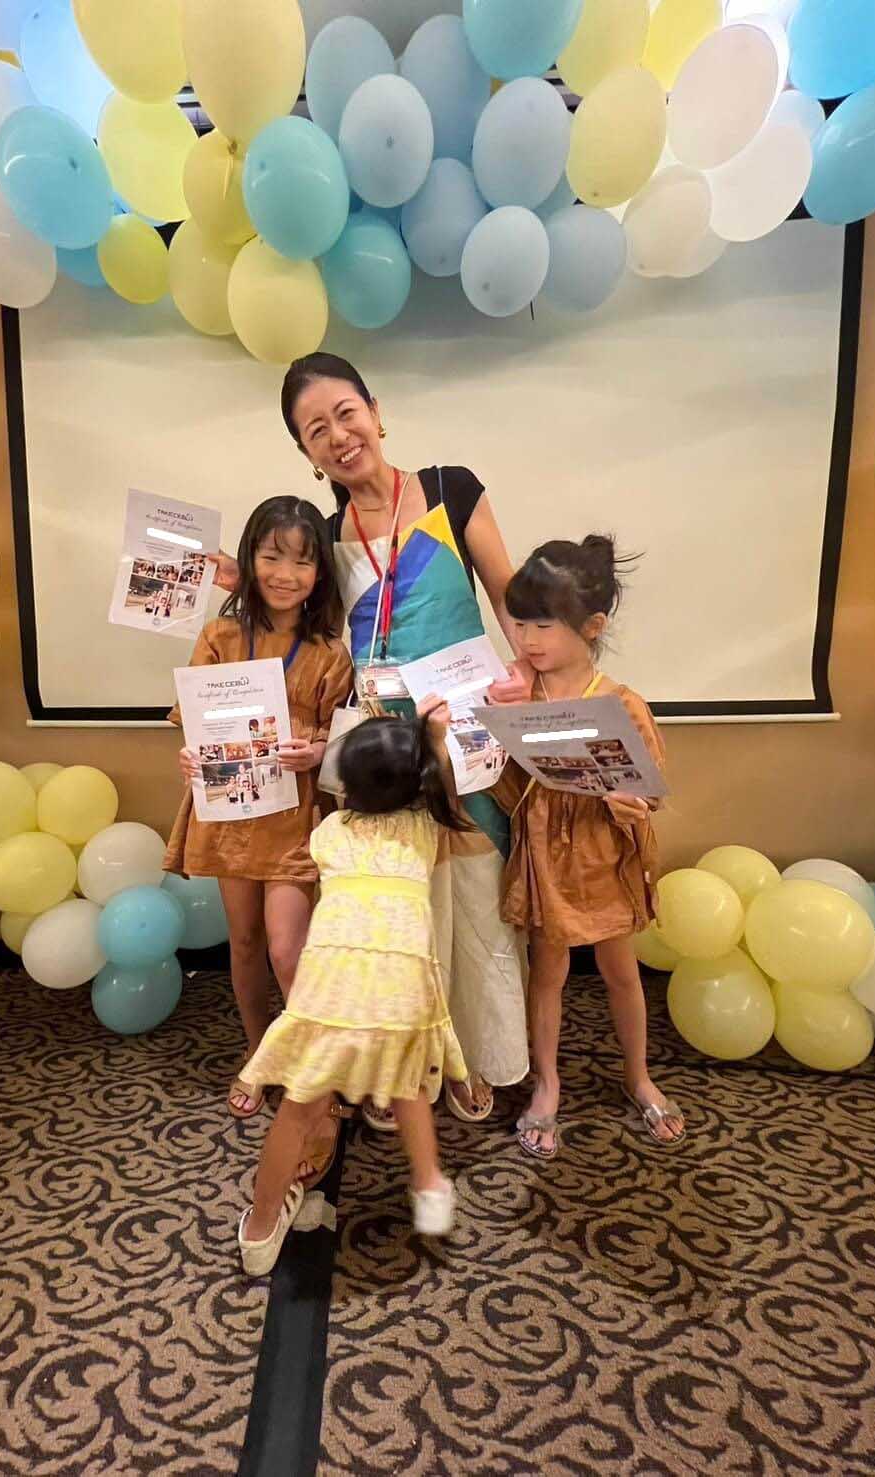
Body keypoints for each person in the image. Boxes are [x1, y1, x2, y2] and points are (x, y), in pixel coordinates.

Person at [210, 353, 530, 1131]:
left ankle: (476, 1055)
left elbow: (508, 595)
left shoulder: (452, 489)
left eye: (345, 413)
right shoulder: (322, 537)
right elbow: (290, 607)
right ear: (307, 453)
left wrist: (526, 669)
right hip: (378, 750)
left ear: (376, 412)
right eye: (316, 429)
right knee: (397, 915)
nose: (338, 435)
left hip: (466, 736)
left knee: (477, 904)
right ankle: (406, 1063)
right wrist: (237, 578)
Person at [236, 700, 470, 1276]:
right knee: (409, 1089)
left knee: (298, 1111)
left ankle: (260, 1231)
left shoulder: (328, 834)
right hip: (402, 997)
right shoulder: (425, 832)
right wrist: (436, 740)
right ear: (420, 782)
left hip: (328, 997)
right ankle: (429, 1186)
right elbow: (444, 795)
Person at [165, 496, 353, 1149]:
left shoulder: (330, 651)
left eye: (302, 561)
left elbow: (343, 737)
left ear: (319, 573)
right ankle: (257, 1051)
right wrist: (191, 753)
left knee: (286, 948)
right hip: (230, 812)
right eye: (272, 556)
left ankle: (313, 1074)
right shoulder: (219, 637)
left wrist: (318, 750)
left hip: (294, 815)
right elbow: (194, 720)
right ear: (250, 558)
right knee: (243, 943)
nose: (285, 574)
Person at [493, 537, 686, 1158]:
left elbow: (650, 791)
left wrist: (633, 804)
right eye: (520, 623)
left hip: (604, 855)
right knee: (547, 971)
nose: (527, 639)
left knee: (621, 970)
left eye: (543, 625)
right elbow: (505, 786)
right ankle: (547, 1082)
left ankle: (639, 1075)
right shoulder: (519, 694)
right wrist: (494, 729)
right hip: (545, 854)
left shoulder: (622, 702)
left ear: (592, 626)